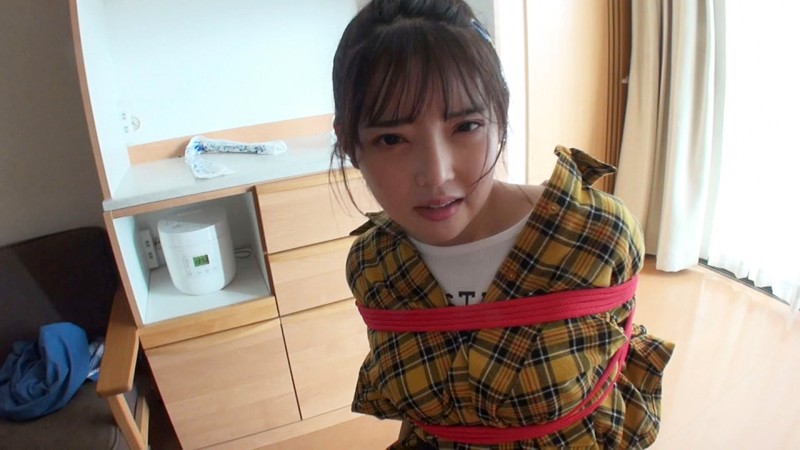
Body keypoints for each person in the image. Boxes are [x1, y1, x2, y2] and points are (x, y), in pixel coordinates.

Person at [330, 0, 674, 448]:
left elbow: (617, 381)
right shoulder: (374, 264)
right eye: (392, 138)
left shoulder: (596, 235)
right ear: (349, 142)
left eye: (466, 126)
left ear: (501, 114)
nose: (436, 174)